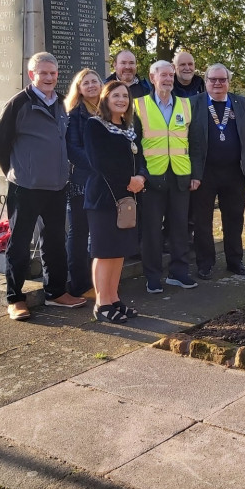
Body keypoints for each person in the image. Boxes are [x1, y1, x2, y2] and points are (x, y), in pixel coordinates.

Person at [0, 52, 87, 321]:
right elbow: (0, 143)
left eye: (53, 73)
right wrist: (16, 172)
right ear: (32, 75)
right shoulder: (18, 103)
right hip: (26, 187)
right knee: (19, 244)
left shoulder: (60, 104)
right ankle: (15, 298)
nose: (48, 78)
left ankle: (56, 292)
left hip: (57, 187)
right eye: (42, 73)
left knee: (55, 242)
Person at [84, 80, 148, 322]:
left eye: (125, 96)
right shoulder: (95, 126)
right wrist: (128, 181)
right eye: (116, 96)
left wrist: (142, 176)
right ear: (105, 98)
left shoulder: (131, 125)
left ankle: (114, 298)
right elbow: (98, 162)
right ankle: (102, 304)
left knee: (119, 251)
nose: (121, 100)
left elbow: (139, 156)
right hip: (103, 197)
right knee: (104, 252)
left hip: (127, 197)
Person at [133, 60, 198, 293]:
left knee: (180, 227)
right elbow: (134, 145)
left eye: (171, 75)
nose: (169, 79)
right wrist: (139, 174)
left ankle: (179, 273)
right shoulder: (137, 106)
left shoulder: (186, 105)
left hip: (180, 175)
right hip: (151, 177)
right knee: (151, 230)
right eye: (164, 75)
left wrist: (195, 174)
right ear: (152, 78)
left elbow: (196, 142)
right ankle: (152, 276)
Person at [188, 64, 245, 278]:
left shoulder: (240, 102)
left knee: (234, 218)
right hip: (204, 174)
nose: (218, 83)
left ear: (228, 81)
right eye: (213, 79)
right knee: (202, 220)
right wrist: (193, 172)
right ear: (205, 81)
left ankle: (235, 261)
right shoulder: (194, 103)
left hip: (234, 173)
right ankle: (205, 263)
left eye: (222, 79)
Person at [63, 68, 102, 297]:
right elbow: (73, 149)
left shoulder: (107, 110)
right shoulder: (75, 114)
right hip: (82, 181)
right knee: (79, 233)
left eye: (94, 81)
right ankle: (80, 283)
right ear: (79, 88)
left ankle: (99, 279)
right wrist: (100, 164)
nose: (91, 85)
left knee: (99, 232)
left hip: (104, 181)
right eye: (85, 82)